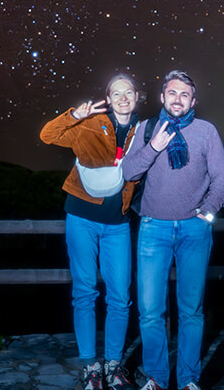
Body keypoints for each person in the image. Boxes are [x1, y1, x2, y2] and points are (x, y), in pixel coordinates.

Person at [121, 70, 224, 390]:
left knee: (191, 310)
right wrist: (153, 146)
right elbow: (128, 171)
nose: (177, 99)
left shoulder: (207, 131)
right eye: (172, 93)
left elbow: (221, 177)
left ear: (193, 100)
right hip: (153, 229)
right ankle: (156, 378)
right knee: (151, 311)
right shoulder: (146, 129)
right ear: (162, 97)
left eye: (184, 94)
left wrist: (207, 214)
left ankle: (188, 380)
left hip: (194, 232)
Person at [40, 74, 142, 390]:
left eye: (128, 92)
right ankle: (89, 366)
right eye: (116, 92)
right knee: (84, 291)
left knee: (120, 297)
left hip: (118, 225)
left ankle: (112, 364)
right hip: (81, 217)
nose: (123, 97)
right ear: (108, 99)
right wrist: (74, 115)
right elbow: (47, 135)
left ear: (137, 96)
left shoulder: (145, 131)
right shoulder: (89, 124)